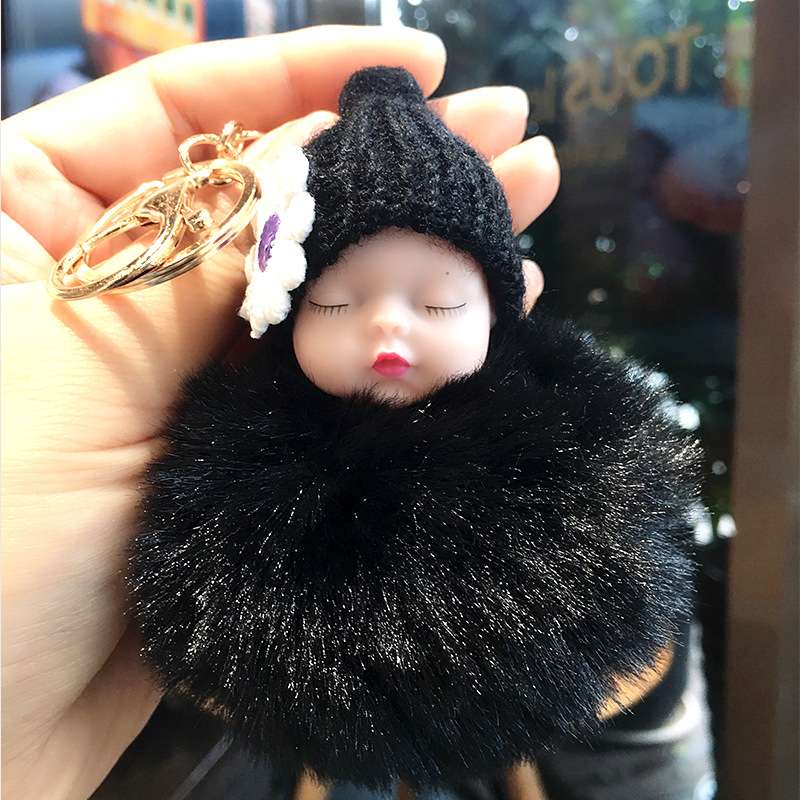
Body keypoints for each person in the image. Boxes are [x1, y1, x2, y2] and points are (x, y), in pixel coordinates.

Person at [1, 25, 559, 800]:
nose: (387, 327)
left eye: (437, 303)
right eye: (336, 301)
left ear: (496, 316)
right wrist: (213, 227)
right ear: (284, 296)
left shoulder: (541, 457)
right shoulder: (245, 477)